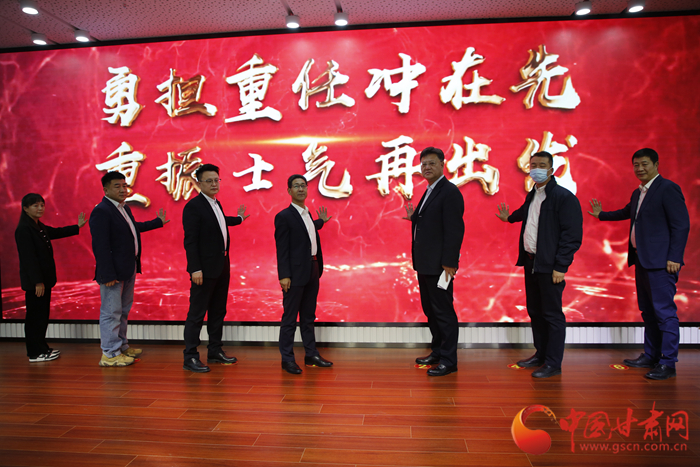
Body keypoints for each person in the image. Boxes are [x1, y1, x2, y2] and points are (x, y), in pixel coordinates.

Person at [588, 148, 689, 380]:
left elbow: (681, 225)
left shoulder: (668, 188)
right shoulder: (638, 192)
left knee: (664, 313)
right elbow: (628, 212)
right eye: (636, 165)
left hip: (662, 263)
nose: (640, 168)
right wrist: (602, 215)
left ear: (656, 164)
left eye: (644, 164)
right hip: (642, 260)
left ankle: (668, 362)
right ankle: (651, 355)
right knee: (648, 312)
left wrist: (674, 257)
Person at [496, 151, 582, 378]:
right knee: (535, 311)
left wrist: (561, 267)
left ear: (551, 170)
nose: (536, 169)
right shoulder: (533, 194)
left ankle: (553, 363)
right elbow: (528, 215)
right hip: (531, 261)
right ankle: (541, 354)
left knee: (552, 314)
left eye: (542, 165)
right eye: (533, 165)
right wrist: (509, 218)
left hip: (550, 266)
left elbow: (572, 236)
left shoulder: (564, 197)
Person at [90, 171, 169, 367]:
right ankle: (110, 354)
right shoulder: (102, 211)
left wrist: (157, 223)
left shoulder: (123, 208)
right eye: (117, 186)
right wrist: (107, 273)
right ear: (105, 189)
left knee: (123, 310)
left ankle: (122, 346)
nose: (123, 189)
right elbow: (100, 246)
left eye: (124, 185)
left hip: (128, 267)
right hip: (113, 273)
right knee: (111, 312)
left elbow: (132, 229)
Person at [403, 147, 465, 377]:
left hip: (441, 265)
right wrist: (415, 219)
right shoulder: (430, 190)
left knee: (443, 312)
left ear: (442, 164)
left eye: (431, 163)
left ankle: (449, 360)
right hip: (426, 263)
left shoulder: (449, 192)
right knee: (431, 309)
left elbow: (455, 230)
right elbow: (432, 223)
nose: (426, 167)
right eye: (423, 164)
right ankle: (438, 351)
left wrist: (450, 263)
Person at [182, 163, 249, 373]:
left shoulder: (215, 203)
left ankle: (214, 350)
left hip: (221, 267)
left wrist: (238, 219)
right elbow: (190, 241)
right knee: (197, 314)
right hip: (203, 270)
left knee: (218, 311)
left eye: (216, 180)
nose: (214, 184)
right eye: (209, 181)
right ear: (199, 183)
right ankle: (190, 356)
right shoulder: (193, 207)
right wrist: (195, 269)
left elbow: (219, 223)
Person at [15, 193, 86, 362]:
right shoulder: (24, 229)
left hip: (44, 281)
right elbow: (29, 258)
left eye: (42, 205)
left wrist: (77, 227)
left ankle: (42, 348)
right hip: (36, 283)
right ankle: (34, 353)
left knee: (42, 316)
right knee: (34, 317)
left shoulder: (38, 226)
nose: (40, 208)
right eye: (35, 206)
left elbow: (55, 232)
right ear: (25, 209)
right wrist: (37, 281)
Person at [274, 174, 333, 375]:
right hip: (294, 274)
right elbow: (282, 248)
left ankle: (311, 355)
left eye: (303, 185)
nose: (301, 189)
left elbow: (308, 231)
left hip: (312, 270)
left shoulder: (307, 214)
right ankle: (287, 359)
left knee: (308, 316)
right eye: (296, 186)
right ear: (289, 191)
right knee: (290, 318)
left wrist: (321, 222)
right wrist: (284, 275)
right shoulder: (284, 216)